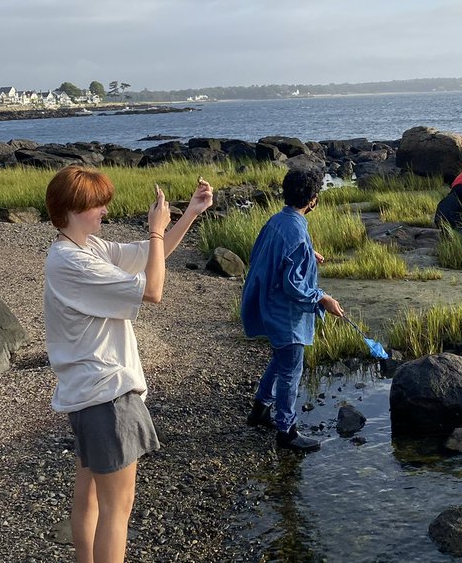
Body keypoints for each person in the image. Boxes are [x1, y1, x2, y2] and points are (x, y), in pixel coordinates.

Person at [44, 166, 214, 563]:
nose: (105, 210)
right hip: (107, 395)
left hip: (87, 394)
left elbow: (146, 257)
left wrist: (188, 213)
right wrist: (156, 229)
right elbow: (153, 290)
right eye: (97, 204)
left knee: (89, 496)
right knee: (116, 510)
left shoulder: (83, 248)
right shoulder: (75, 262)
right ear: (71, 208)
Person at [241, 166, 344, 452]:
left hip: (270, 307)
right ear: (312, 199)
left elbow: (265, 252)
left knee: (281, 358)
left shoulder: (278, 220)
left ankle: (260, 409)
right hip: (286, 314)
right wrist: (323, 298)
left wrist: (309, 253)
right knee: (291, 370)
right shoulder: (296, 232)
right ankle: (287, 431)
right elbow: (294, 286)